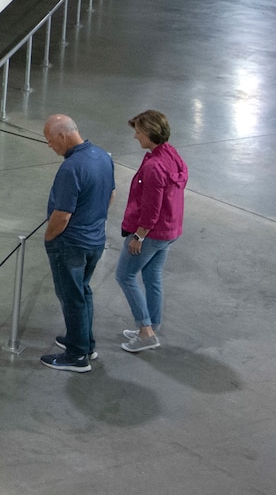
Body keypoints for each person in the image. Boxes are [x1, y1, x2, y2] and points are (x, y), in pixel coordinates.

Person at [39, 114, 116, 372]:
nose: (51, 147)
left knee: (71, 297)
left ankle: (76, 355)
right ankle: (84, 342)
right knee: (83, 291)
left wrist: (49, 238)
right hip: (95, 240)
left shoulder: (71, 168)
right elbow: (111, 195)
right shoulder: (103, 156)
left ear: (62, 136)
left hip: (71, 244)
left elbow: (62, 215)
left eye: (50, 142)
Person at [115, 110, 188, 352]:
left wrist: (138, 236)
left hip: (152, 233)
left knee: (124, 276)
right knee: (151, 276)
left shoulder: (155, 166)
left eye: (138, 131)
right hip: (170, 230)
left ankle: (146, 332)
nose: (135, 136)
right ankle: (152, 325)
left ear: (149, 133)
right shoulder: (171, 154)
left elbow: (151, 209)